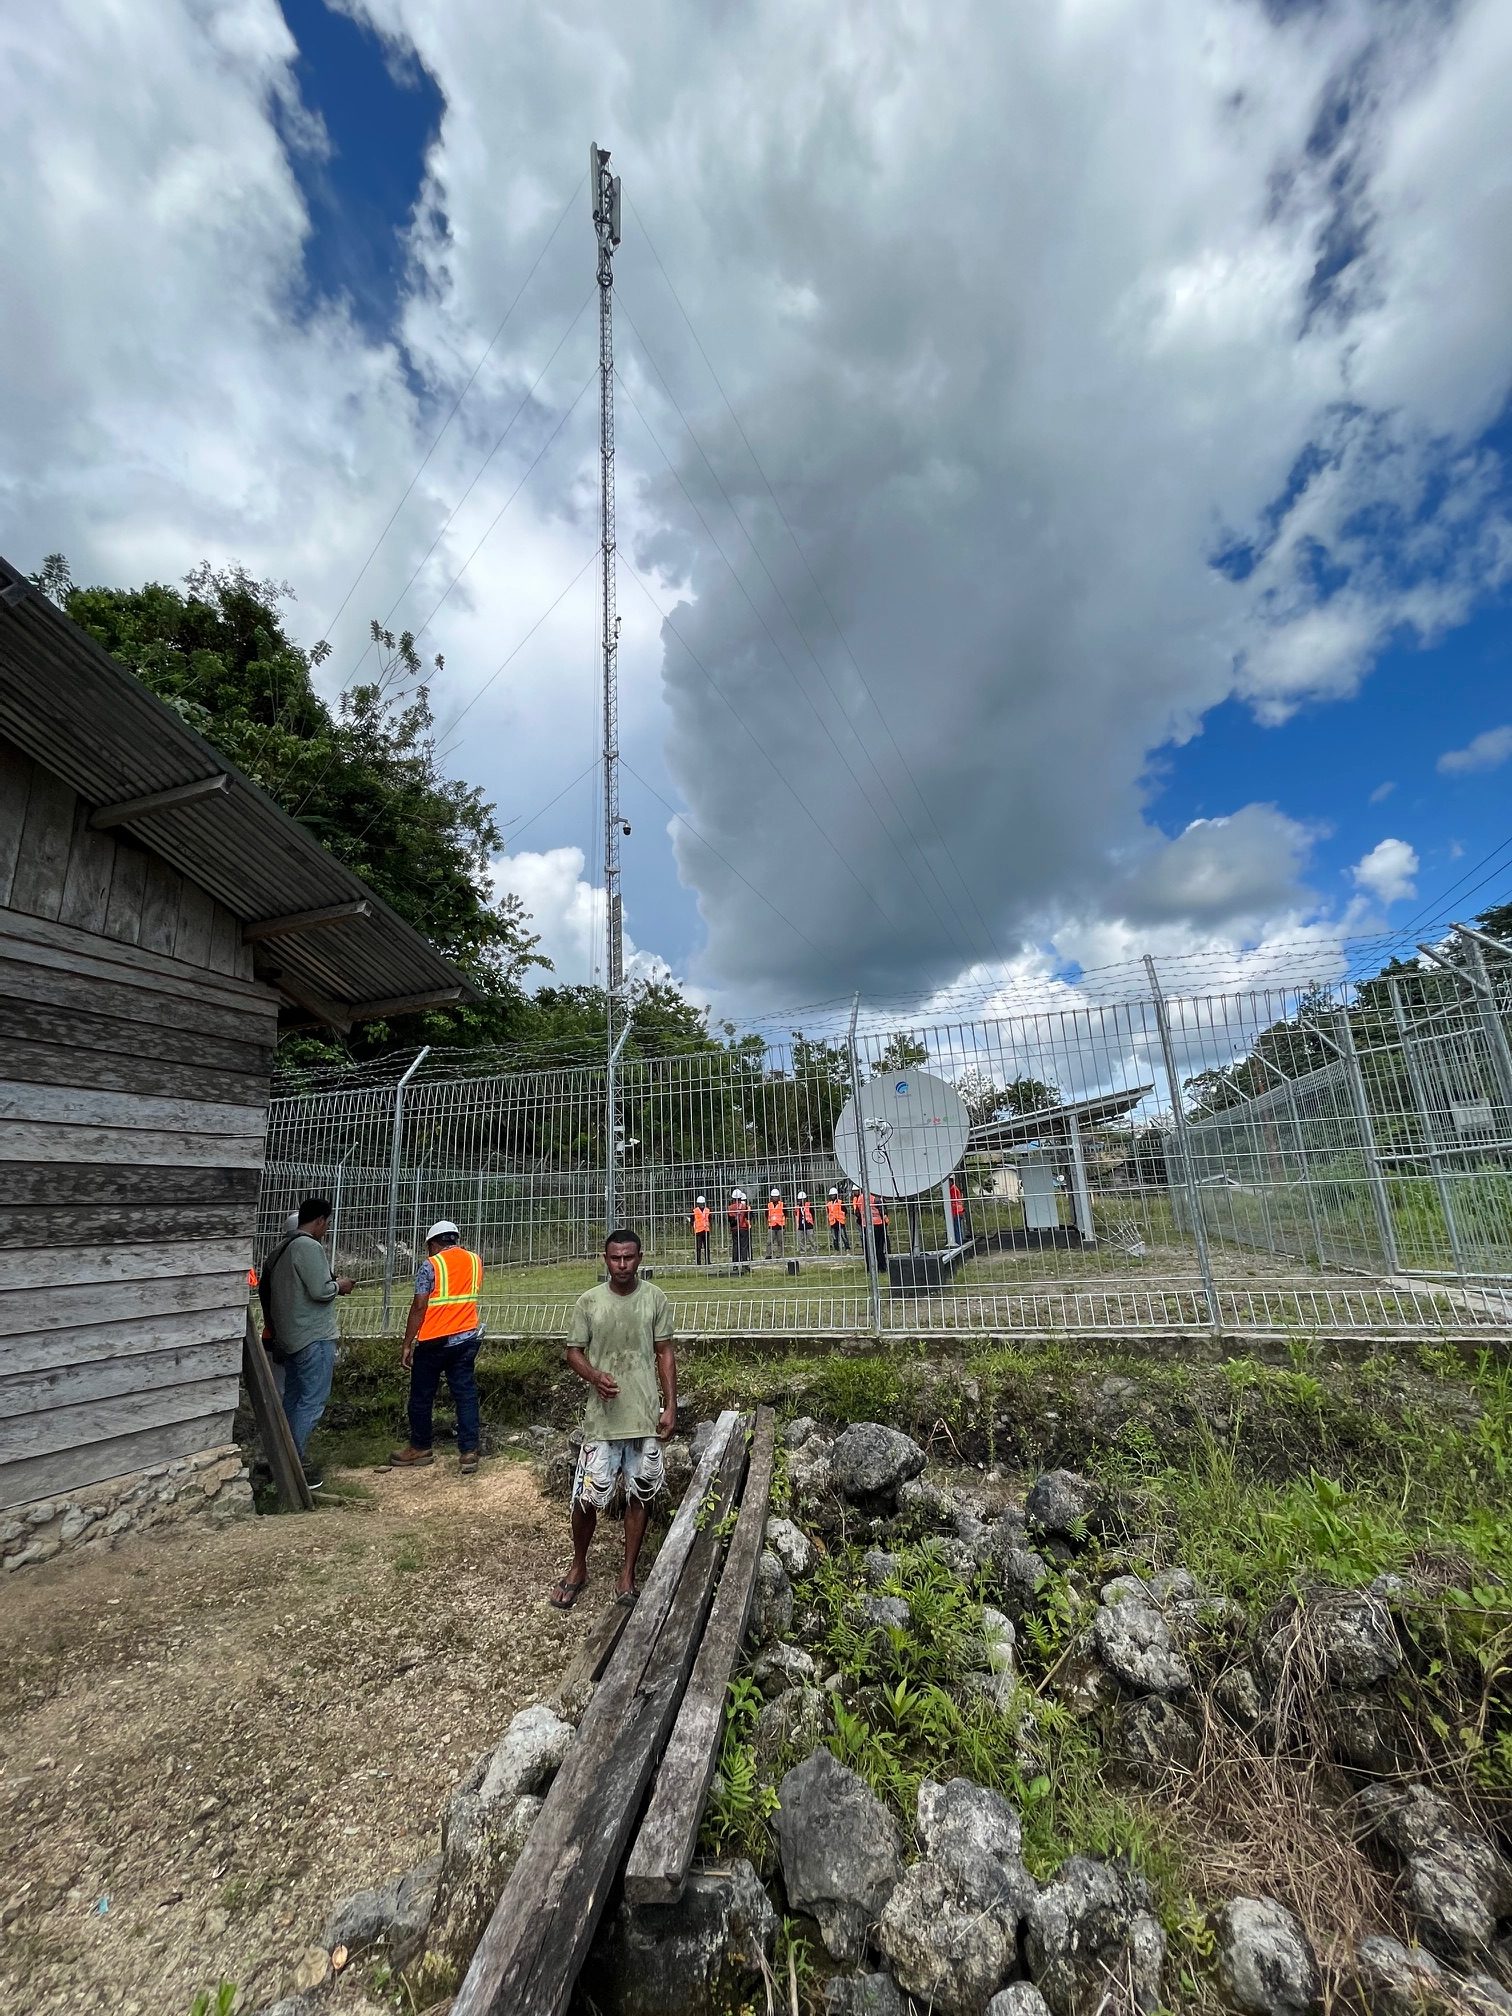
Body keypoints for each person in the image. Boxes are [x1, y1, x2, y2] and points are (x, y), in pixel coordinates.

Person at [551, 1228, 676, 1610]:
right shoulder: (589, 1302)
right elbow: (573, 1351)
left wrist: (670, 1405)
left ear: (640, 1258)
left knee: (639, 1494)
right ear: (605, 1259)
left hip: (643, 1417)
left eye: (629, 1257)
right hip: (602, 1421)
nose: (622, 1264)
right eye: (615, 1258)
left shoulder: (655, 1299)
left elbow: (665, 1352)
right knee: (586, 1498)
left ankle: (627, 1574)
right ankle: (578, 1565)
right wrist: (594, 1376)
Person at [259, 1197, 354, 1489]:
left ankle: (274, 1457)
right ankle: (295, 1461)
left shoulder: (278, 1251)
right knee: (312, 1401)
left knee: (293, 1399)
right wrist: (341, 1285)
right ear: (322, 1220)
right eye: (327, 1223)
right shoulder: (308, 1246)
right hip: (314, 1337)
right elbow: (320, 1290)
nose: (326, 1229)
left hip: (289, 1337)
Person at [389, 1221, 485, 1474]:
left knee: (421, 1397)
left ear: (433, 1243)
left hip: (434, 1342)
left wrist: (407, 1343)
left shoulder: (431, 1265)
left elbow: (420, 1305)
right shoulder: (475, 1260)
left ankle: (420, 1447)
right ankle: (469, 1451)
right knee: (465, 1395)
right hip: (466, 1339)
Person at [727, 1188, 752, 1264]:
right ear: (741, 1198)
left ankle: (735, 1263)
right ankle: (744, 1263)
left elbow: (729, 1220)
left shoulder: (730, 1208)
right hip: (743, 1228)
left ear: (733, 1198)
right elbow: (748, 1217)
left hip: (734, 1228)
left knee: (735, 1246)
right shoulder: (745, 1207)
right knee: (744, 1246)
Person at [826, 1187, 850, 1252]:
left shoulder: (840, 1202)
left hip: (840, 1222)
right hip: (833, 1222)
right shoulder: (829, 1204)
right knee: (834, 1238)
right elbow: (829, 1212)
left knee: (844, 1236)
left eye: (833, 1195)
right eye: (831, 1195)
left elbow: (845, 1211)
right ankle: (837, 1250)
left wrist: (842, 1217)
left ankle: (847, 1248)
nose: (832, 1196)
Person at [765, 1187, 787, 1259]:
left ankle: (779, 1255)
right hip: (771, 1226)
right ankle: (768, 1255)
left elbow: (785, 1214)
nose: (775, 1198)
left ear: (778, 1197)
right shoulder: (768, 1205)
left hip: (780, 1226)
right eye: (773, 1196)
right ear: (771, 1197)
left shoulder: (782, 1205)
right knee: (769, 1242)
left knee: (780, 1242)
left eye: (776, 1196)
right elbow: (766, 1214)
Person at [690, 1195, 711, 1266]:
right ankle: (698, 1262)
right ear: (698, 1204)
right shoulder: (694, 1211)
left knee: (707, 1247)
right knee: (698, 1247)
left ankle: (708, 1261)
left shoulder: (707, 1210)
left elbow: (709, 1220)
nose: (702, 1205)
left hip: (706, 1231)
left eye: (703, 1204)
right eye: (700, 1204)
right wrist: (692, 1230)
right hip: (698, 1231)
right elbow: (692, 1222)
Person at [949, 1177, 967, 1246]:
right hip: (959, 1211)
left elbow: (953, 1203)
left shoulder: (952, 1189)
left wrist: (953, 1214)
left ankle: (958, 1243)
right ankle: (959, 1242)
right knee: (957, 1228)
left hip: (956, 1211)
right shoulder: (955, 1188)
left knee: (956, 1229)